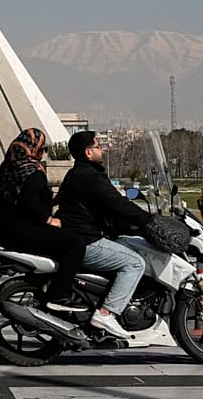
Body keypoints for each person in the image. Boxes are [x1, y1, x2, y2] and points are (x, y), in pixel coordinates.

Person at [52, 130, 153, 341]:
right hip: (86, 239)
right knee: (135, 263)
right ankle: (106, 313)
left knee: (125, 246)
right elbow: (116, 203)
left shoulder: (76, 173)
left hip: (75, 236)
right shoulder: (91, 176)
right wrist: (148, 220)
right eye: (98, 147)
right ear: (88, 152)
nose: (102, 150)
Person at [0, 128, 89, 309]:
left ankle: (47, 284)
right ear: (34, 150)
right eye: (42, 150)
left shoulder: (8, 167)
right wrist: (48, 219)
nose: (43, 154)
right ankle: (60, 295)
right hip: (26, 231)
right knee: (75, 244)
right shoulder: (32, 172)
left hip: (7, 230)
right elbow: (30, 202)